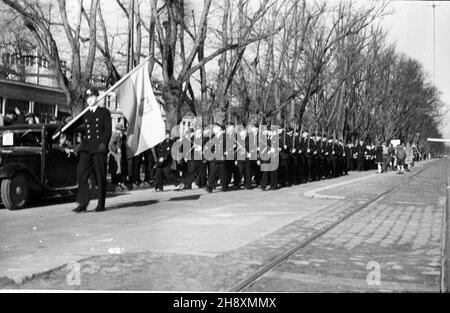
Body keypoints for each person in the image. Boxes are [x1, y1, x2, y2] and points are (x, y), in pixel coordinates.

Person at [73, 93, 112, 213]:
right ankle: (83, 203)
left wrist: (104, 144)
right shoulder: (85, 114)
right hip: (87, 147)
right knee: (81, 173)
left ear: (97, 97)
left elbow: (108, 130)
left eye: (92, 97)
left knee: (100, 176)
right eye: (88, 98)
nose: (90, 100)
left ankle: (101, 204)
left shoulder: (104, 112)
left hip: (99, 148)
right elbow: (75, 126)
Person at [108, 123, 126, 190]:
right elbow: (111, 144)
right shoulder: (115, 135)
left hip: (117, 155)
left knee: (117, 169)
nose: (122, 131)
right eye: (121, 130)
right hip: (115, 154)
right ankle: (115, 184)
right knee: (116, 169)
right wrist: (116, 149)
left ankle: (117, 183)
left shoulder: (118, 135)